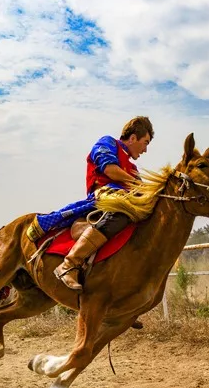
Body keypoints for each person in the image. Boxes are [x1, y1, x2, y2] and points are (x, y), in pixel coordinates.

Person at [27, 116, 154, 291]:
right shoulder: (108, 143)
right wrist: (138, 183)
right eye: (145, 142)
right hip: (105, 198)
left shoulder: (133, 169)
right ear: (133, 138)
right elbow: (109, 169)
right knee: (122, 213)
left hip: (126, 200)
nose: (146, 149)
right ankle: (70, 264)